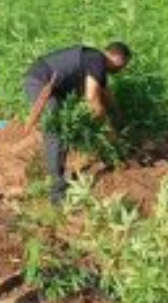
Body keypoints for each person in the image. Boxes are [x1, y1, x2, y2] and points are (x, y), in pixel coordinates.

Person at [22, 42, 132, 206]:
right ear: (117, 57)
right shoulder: (97, 59)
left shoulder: (96, 62)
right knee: (56, 132)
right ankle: (57, 195)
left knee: (67, 130)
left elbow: (105, 93)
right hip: (41, 82)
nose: (122, 69)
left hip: (51, 86)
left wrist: (119, 115)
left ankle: (60, 173)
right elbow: (92, 97)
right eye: (123, 65)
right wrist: (107, 128)